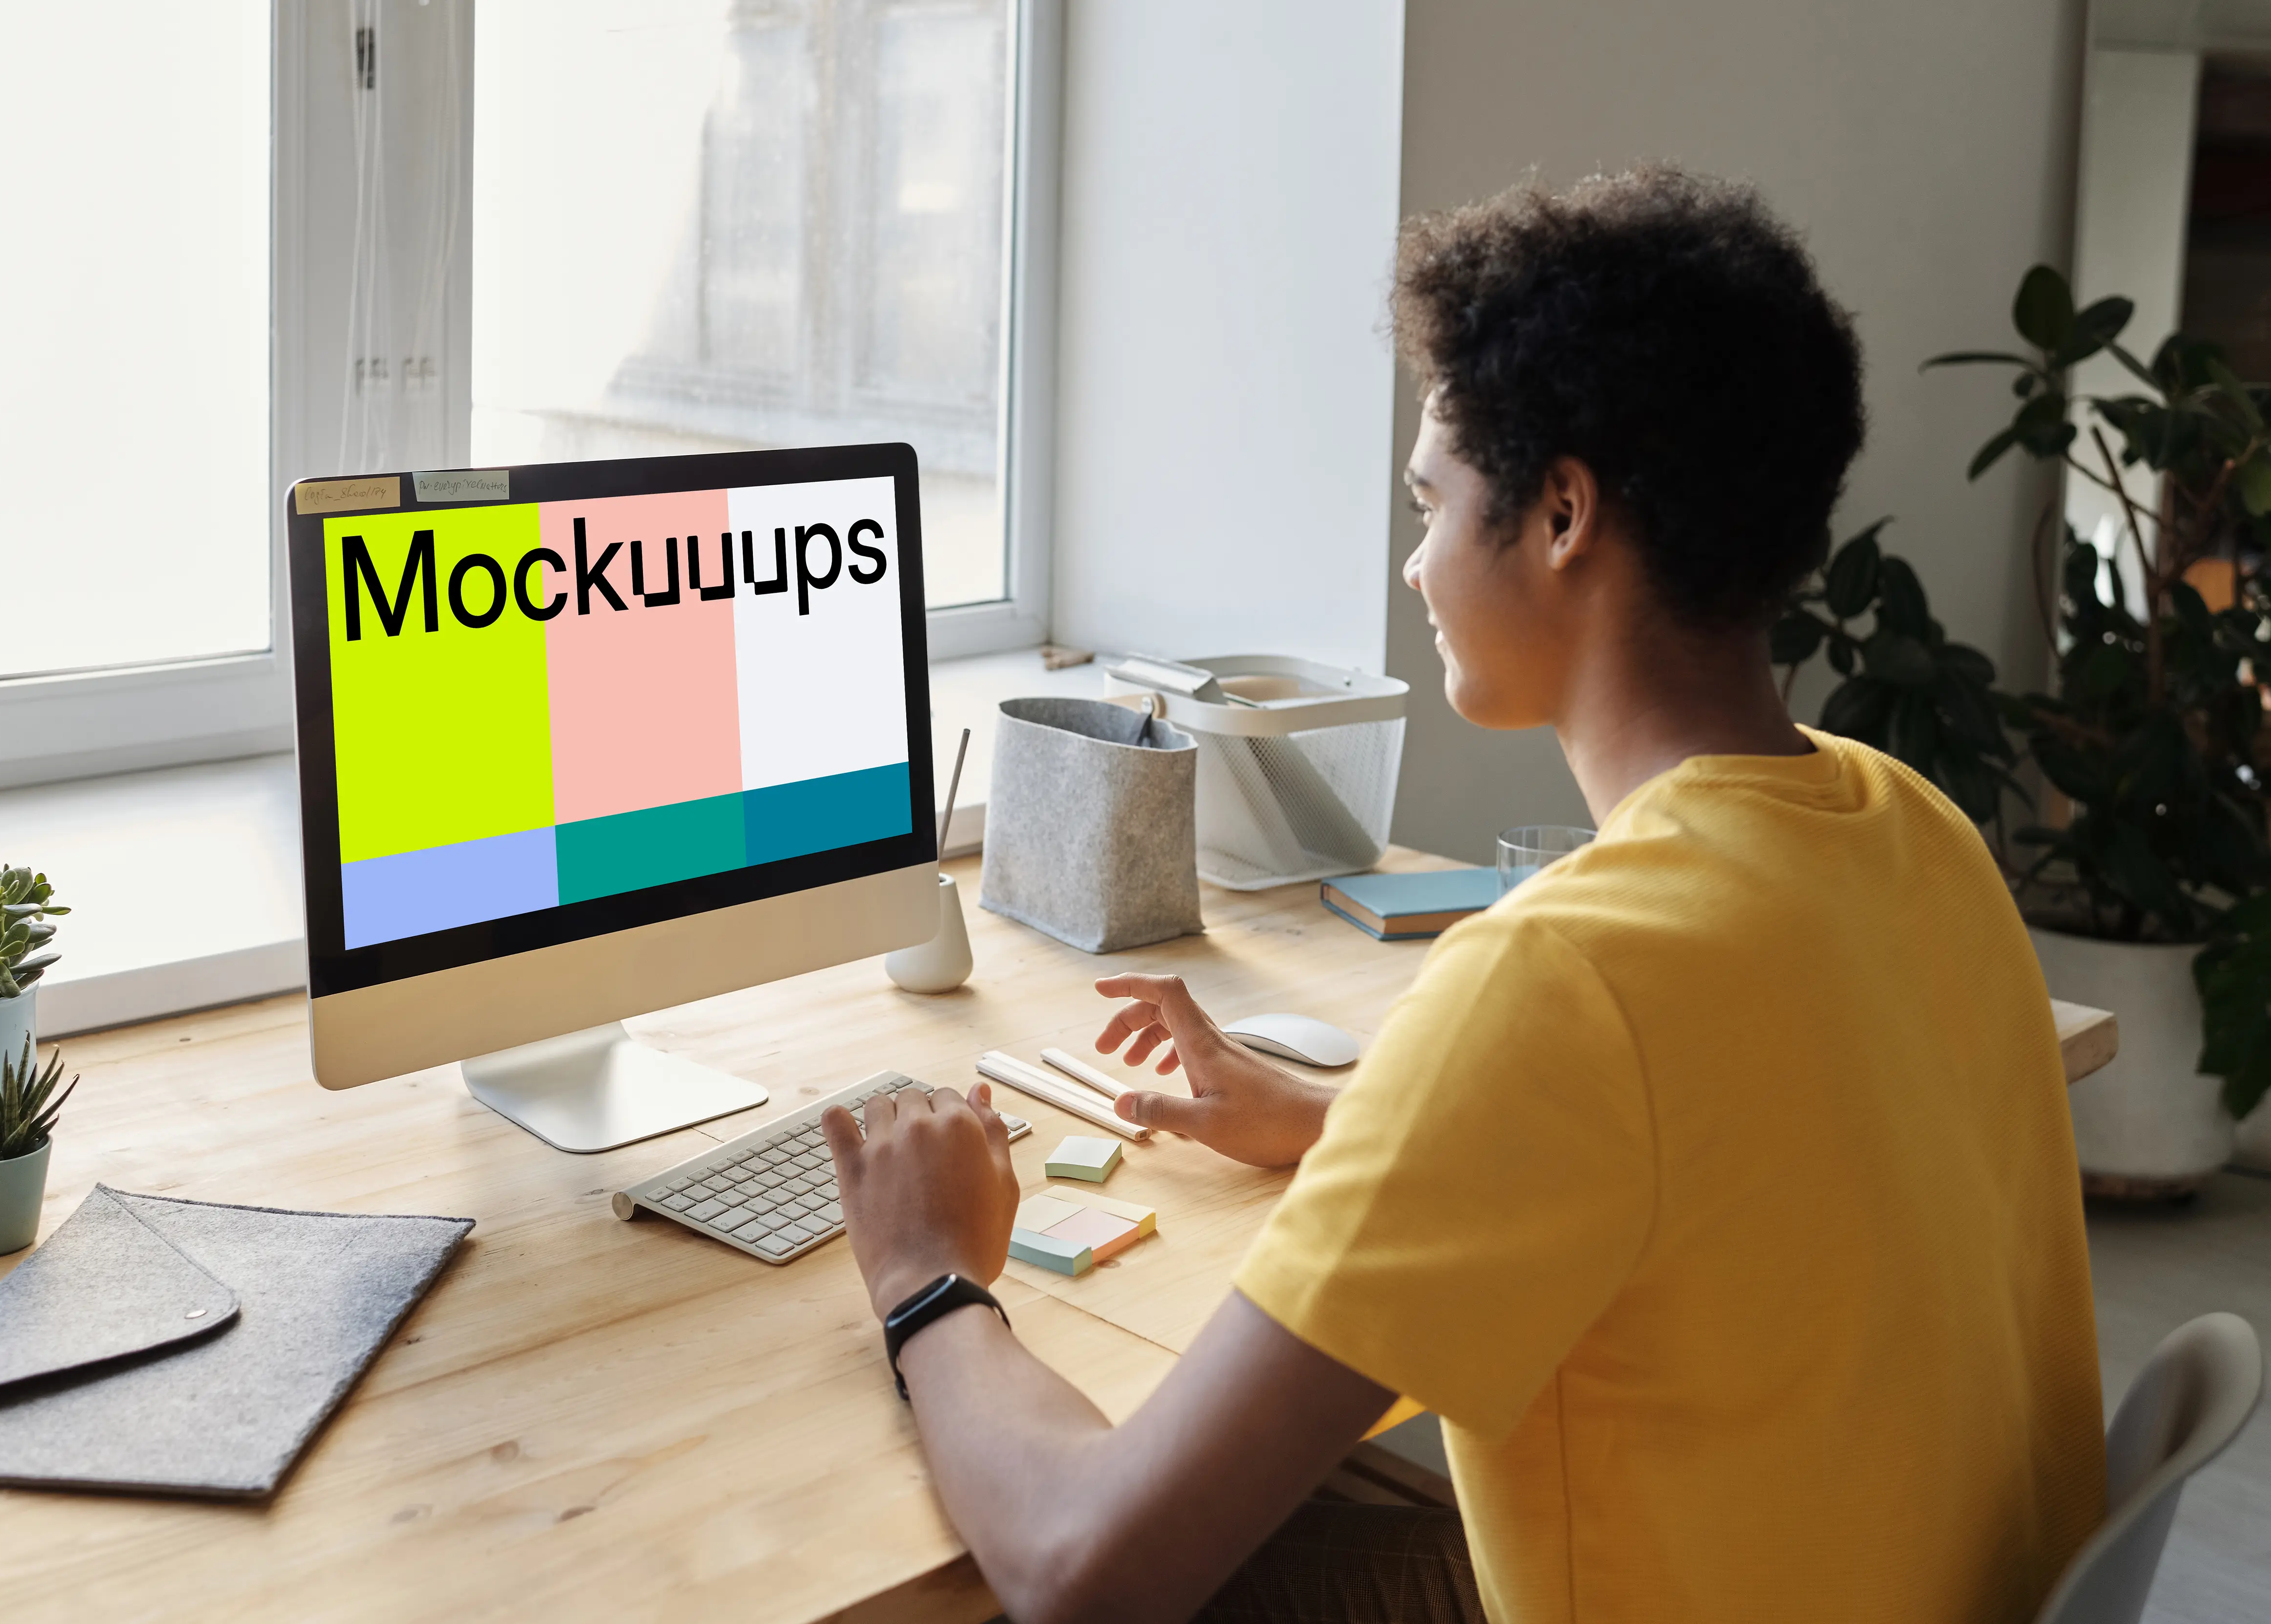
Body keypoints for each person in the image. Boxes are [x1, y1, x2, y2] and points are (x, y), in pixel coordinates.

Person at [820, 165, 2104, 1624]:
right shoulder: (1909, 828)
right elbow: (1722, 1156)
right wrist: (1347, 1128)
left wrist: (928, 1277)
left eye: (1431, 503)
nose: (1417, 564)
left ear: (1562, 515)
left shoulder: (1569, 978)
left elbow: (1083, 1571)